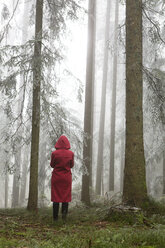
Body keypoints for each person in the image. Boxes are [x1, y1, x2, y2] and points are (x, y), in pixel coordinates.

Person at [50, 135, 74, 221]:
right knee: (65, 197)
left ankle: (55, 218)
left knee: (55, 197)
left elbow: (52, 165)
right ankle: (64, 218)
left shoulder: (54, 153)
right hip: (66, 178)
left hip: (56, 177)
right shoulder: (71, 153)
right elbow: (71, 165)